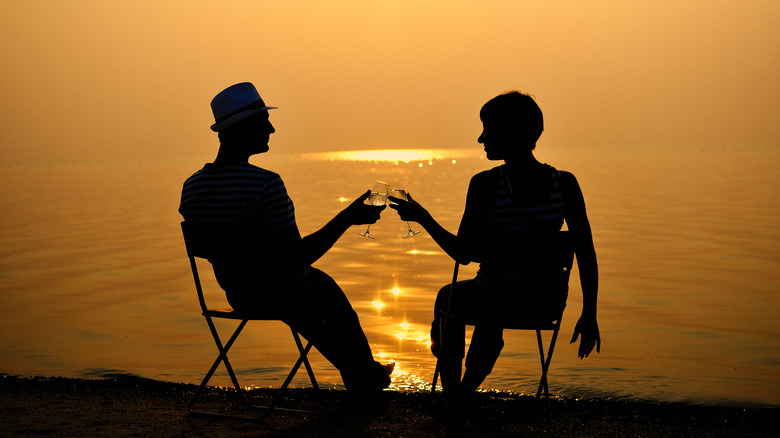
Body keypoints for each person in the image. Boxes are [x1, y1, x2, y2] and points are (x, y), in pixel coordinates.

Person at [388, 91, 600, 414]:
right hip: (543, 304)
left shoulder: (485, 185)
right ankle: (462, 395)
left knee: (452, 300)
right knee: (492, 307)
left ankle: (453, 398)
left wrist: (422, 217)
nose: (480, 138)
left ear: (509, 132)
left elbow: (463, 253)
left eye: (487, 129)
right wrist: (590, 313)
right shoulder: (565, 184)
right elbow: (585, 250)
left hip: (496, 299)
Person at [179, 82, 393, 393]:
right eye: (264, 121)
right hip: (279, 294)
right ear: (244, 127)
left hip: (239, 295)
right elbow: (296, 258)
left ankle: (364, 375)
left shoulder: (192, 187)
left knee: (304, 299)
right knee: (319, 291)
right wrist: (346, 218)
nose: (272, 129)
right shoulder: (266, 184)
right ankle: (365, 377)